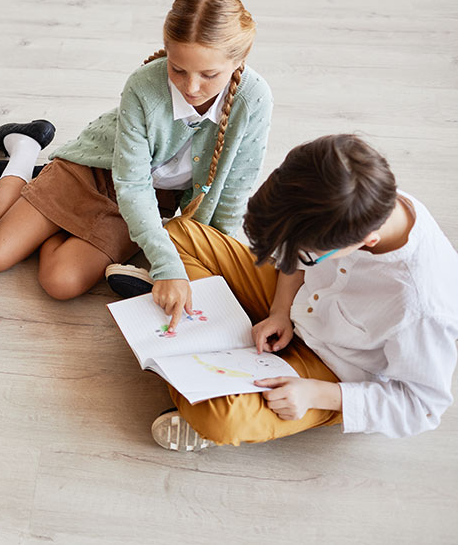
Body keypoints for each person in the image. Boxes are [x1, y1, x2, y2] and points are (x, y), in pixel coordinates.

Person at [151, 135, 458, 451]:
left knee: (220, 419)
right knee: (179, 234)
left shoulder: (422, 306)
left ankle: (193, 339)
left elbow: (422, 406)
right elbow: (293, 257)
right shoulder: (345, 191)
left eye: (307, 254)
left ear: (368, 241)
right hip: (293, 304)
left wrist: (317, 395)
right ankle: (202, 330)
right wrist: (280, 310)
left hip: (330, 369)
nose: (294, 255)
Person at [0, 0, 272, 312]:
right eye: (178, 70)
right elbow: (132, 183)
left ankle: (41, 192)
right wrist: (166, 264)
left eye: (209, 75)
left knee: (60, 283)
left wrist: (211, 255)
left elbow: (233, 191)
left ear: (240, 59)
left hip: (147, 200)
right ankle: (25, 147)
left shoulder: (253, 99)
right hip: (93, 170)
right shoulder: (144, 85)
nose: (191, 87)